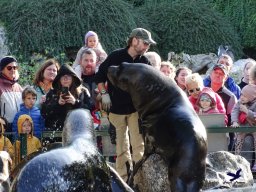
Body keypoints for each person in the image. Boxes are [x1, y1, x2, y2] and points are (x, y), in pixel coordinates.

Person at [95, 27, 156, 181]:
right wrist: (104, 94)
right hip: (116, 109)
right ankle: (123, 179)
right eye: (145, 43)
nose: (147, 47)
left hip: (137, 110)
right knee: (121, 148)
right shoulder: (116, 56)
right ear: (134, 40)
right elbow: (99, 76)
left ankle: (139, 180)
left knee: (139, 147)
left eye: (148, 44)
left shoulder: (144, 60)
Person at [41, 64, 93, 133]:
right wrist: (58, 104)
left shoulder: (82, 92)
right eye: (62, 76)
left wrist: (75, 102)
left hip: (78, 131)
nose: (65, 79)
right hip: (56, 133)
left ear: (73, 78)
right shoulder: (53, 93)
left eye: (68, 76)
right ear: (59, 79)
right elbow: (44, 113)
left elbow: (89, 109)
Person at [206, 64, 237, 151]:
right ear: (211, 74)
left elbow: (231, 123)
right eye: (216, 72)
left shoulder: (231, 97)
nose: (218, 75)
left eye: (221, 74)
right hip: (204, 133)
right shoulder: (202, 92)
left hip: (222, 136)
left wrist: (230, 147)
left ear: (226, 78)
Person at [231, 84, 256, 171]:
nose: (241, 97)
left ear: (251, 97)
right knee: (238, 141)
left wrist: (247, 112)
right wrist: (234, 122)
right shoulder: (239, 102)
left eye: (245, 96)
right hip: (243, 126)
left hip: (253, 127)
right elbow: (234, 112)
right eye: (241, 94)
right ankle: (237, 161)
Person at [0, 56, 23, 135]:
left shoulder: (19, 87)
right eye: (9, 68)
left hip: (20, 127)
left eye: (15, 67)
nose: (13, 70)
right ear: (2, 70)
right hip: (5, 129)